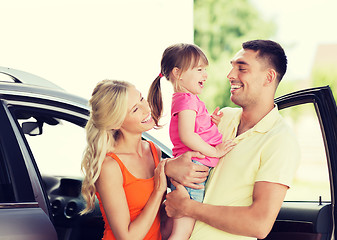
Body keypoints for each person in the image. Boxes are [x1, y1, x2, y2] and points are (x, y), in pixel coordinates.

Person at [164, 40, 301, 240]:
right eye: (232, 67)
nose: (230, 75)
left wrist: (188, 207)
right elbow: (185, 156)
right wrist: (169, 167)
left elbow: (259, 224)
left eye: (241, 68)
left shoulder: (280, 141)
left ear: (268, 77)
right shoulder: (222, 119)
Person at [148, 43, 235, 240]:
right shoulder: (186, 100)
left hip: (192, 169)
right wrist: (215, 151)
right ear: (178, 73)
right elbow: (187, 136)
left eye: (205, 69)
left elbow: (193, 130)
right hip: (192, 171)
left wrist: (210, 124)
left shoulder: (188, 99)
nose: (205, 75)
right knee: (182, 233)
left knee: (180, 230)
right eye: (199, 70)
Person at [80, 80, 167, 240]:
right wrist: (159, 191)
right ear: (116, 123)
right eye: (135, 109)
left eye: (141, 99)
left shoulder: (154, 150)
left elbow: (157, 218)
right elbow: (127, 237)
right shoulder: (110, 167)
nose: (146, 109)